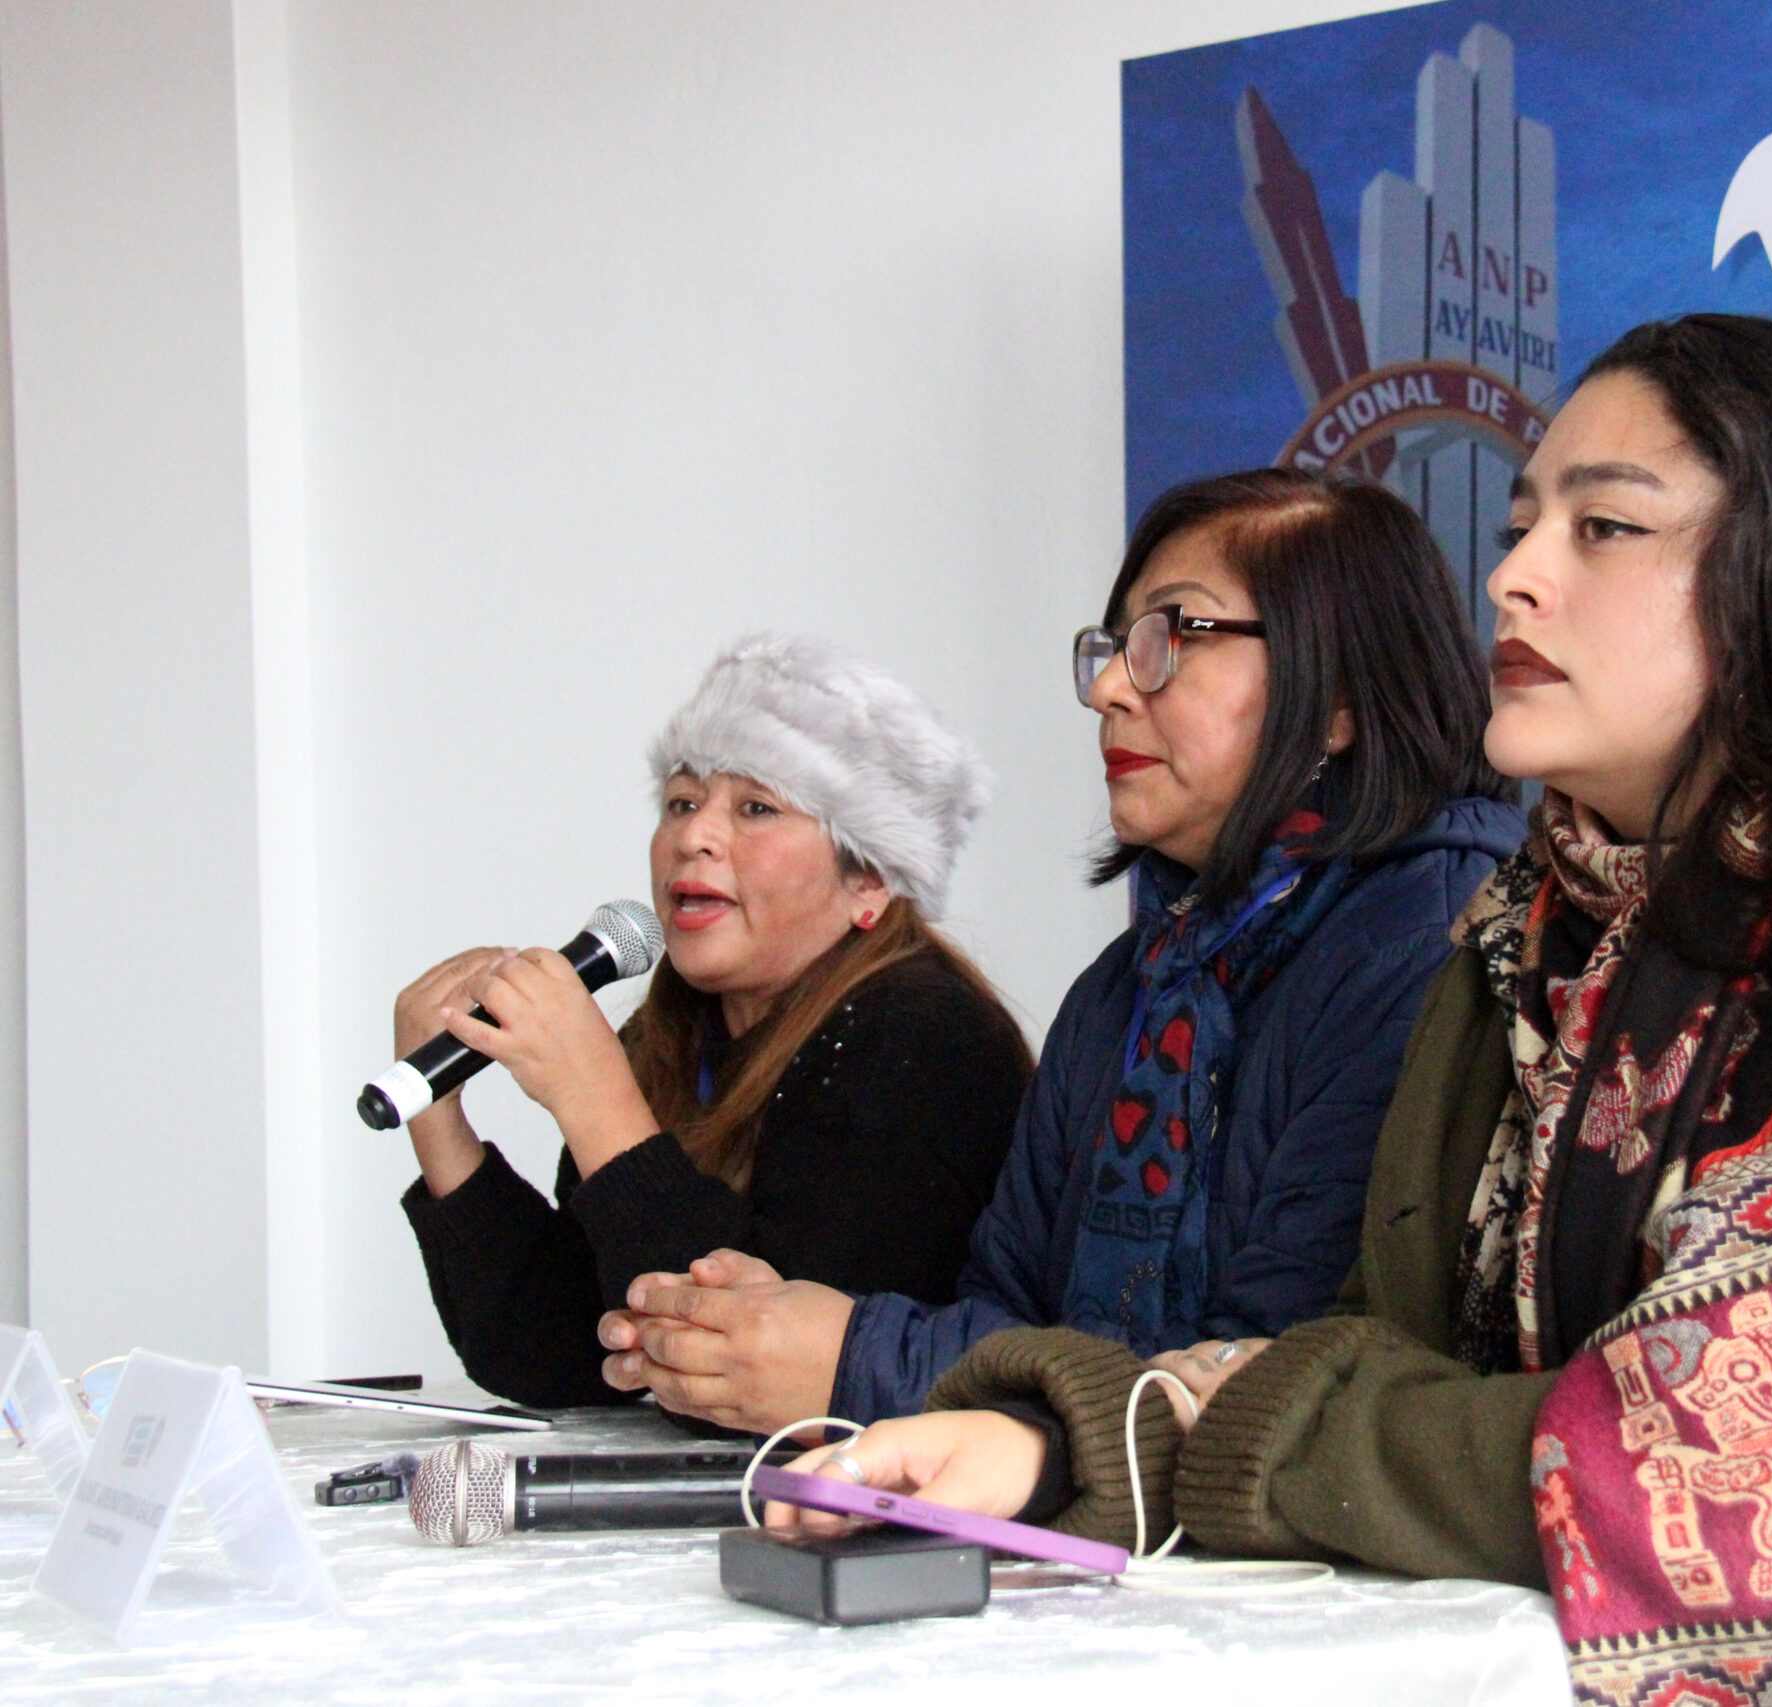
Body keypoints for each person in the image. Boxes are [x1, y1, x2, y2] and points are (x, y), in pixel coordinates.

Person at [768, 318, 1772, 1707]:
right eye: (1522, 522)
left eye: (1603, 526)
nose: (1515, 573)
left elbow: (1709, 1470)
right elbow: (1376, 1350)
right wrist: (1062, 1442)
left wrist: (1210, 1436)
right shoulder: (1540, 935)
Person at [598, 469, 1524, 1453]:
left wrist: (852, 1356)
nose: (1110, 689)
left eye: (1173, 636)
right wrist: (775, 1335)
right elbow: (1005, 1307)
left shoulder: (1429, 949)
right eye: (1113, 648)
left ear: (1336, 696)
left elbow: (1269, 1382)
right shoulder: (1126, 984)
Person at [399, 635, 1031, 1410]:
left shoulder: (928, 1039)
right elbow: (558, 1358)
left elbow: (778, 1380)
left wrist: (595, 1101)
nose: (693, 836)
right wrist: (438, 1121)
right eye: (681, 802)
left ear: (868, 879)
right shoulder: (667, 1035)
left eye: (756, 807)